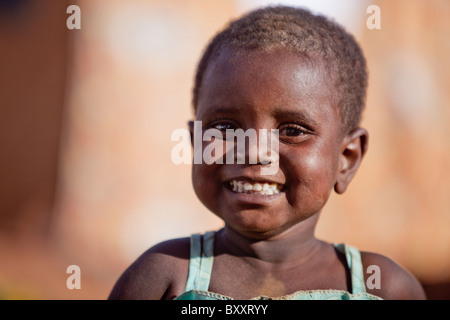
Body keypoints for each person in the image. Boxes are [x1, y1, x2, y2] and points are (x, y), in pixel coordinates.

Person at [108, 6, 426, 300]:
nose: (254, 152)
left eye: (292, 131)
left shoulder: (381, 287)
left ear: (347, 158)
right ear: (196, 144)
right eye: (226, 128)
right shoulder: (164, 277)